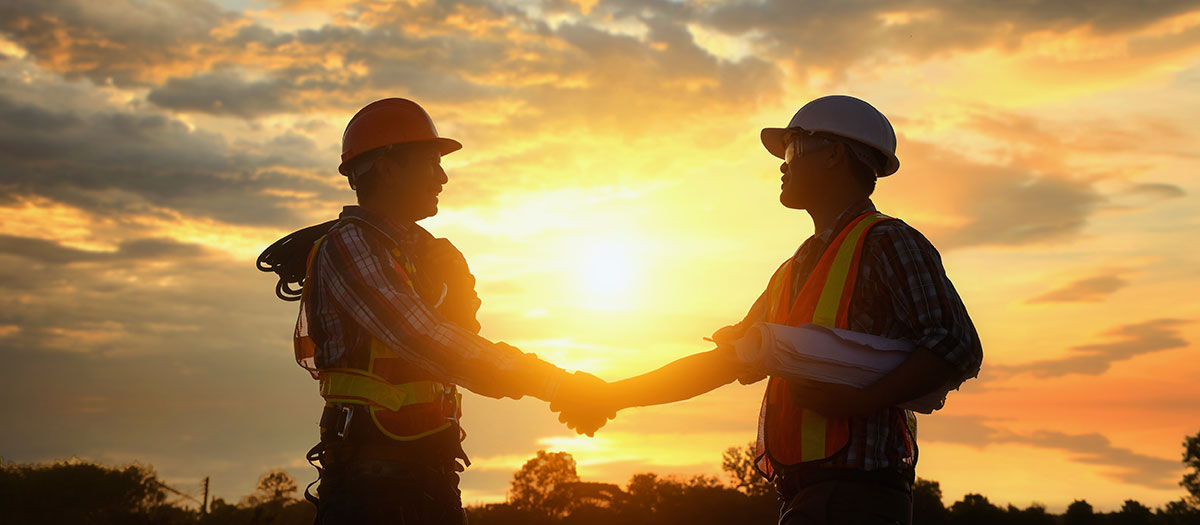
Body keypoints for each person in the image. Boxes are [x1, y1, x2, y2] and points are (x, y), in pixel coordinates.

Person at [555, 95, 983, 525]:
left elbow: (956, 344)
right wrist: (610, 395)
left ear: (834, 154)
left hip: (859, 498)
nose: (783, 164)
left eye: (793, 148)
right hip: (806, 497)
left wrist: (860, 401)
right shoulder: (791, 273)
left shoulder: (888, 242)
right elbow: (723, 363)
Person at [259, 98, 601, 524]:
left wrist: (455, 295)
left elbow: (460, 349)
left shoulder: (422, 255)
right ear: (387, 168)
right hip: (371, 490)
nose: (443, 176)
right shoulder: (349, 246)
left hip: (429, 475)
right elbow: (424, 338)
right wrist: (556, 384)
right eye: (430, 161)